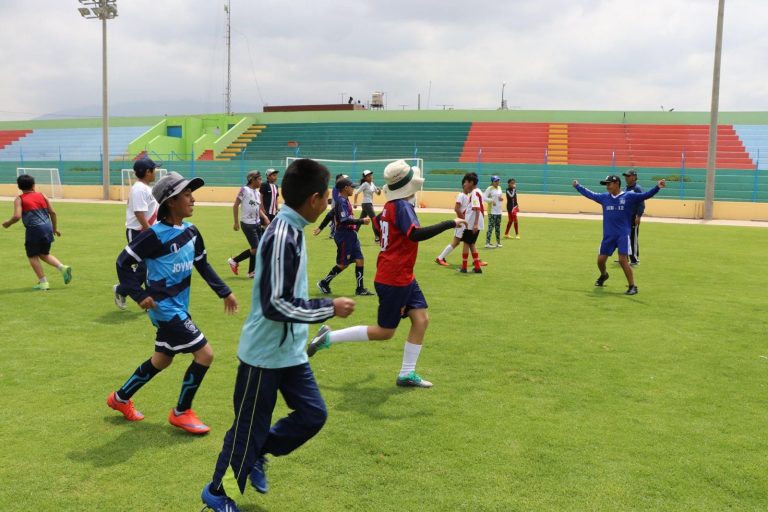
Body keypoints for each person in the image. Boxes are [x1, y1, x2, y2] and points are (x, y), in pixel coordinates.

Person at [201, 158, 356, 511]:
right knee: (247, 429)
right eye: (327, 197)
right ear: (314, 198)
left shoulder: (294, 228)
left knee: (312, 415)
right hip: (264, 355)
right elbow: (275, 305)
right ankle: (218, 494)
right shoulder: (282, 234)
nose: (329, 203)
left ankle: (257, 453)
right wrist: (328, 307)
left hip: (289, 352)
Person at [306, 160, 467, 389]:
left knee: (421, 319)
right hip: (394, 278)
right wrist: (450, 222)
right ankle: (329, 337)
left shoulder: (393, 207)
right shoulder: (401, 206)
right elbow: (415, 235)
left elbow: (385, 228)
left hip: (402, 275)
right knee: (385, 332)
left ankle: (406, 374)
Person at [107, 172, 239, 434]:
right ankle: (181, 412)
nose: (193, 200)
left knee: (162, 360)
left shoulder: (191, 231)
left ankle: (119, 399)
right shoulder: (153, 235)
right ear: (171, 201)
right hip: (164, 308)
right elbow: (123, 262)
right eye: (187, 195)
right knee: (205, 354)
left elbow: (202, 263)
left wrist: (224, 291)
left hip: (178, 306)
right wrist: (138, 294)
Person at [572, 174, 665, 295]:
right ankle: (604, 275)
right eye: (606, 184)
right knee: (600, 261)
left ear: (616, 184)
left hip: (622, 234)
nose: (607, 187)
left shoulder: (629, 196)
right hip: (608, 235)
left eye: (609, 184)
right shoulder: (604, 197)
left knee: (622, 260)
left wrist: (657, 187)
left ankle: (632, 286)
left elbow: (645, 195)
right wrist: (578, 186)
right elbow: (590, 195)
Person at [2, 173, 72, 290]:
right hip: (47, 227)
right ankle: (62, 267)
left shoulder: (19, 199)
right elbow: (53, 213)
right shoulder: (42, 195)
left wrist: (7, 223)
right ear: (34, 185)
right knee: (43, 254)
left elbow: (17, 216)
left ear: (19, 187)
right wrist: (54, 228)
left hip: (34, 229)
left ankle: (43, 282)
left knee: (32, 256)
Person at [113, 157, 159, 309]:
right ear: (147, 172)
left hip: (145, 231)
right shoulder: (140, 189)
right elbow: (139, 213)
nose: (156, 172)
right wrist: (149, 231)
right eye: (154, 169)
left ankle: (127, 291)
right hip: (139, 232)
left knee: (149, 267)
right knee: (144, 267)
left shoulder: (144, 188)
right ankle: (124, 291)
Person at [316, 177, 374, 296]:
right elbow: (344, 220)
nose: (353, 189)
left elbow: (329, 215)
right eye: (352, 187)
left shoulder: (344, 200)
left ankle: (360, 289)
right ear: (345, 188)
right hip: (344, 236)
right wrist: (361, 221)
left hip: (351, 235)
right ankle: (324, 283)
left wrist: (320, 228)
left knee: (360, 259)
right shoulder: (341, 201)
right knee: (343, 264)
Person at [228, 170, 270, 278]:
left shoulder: (257, 192)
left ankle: (251, 272)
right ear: (252, 180)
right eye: (259, 179)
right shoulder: (244, 190)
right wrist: (236, 222)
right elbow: (235, 205)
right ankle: (234, 261)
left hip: (257, 223)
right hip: (247, 224)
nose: (261, 181)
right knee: (256, 249)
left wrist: (265, 217)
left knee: (256, 248)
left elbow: (257, 208)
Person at [459, 173, 485, 273]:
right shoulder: (478, 192)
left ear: (471, 182)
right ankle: (477, 267)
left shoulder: (474, 192)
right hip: (475, 222)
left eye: (466, 182)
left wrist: (475, 224)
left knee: (466, 243)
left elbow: (477, 208)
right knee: (471, 244)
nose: (465, 184)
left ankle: (464, 267)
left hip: (472, 223)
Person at [353, 169, 382, 242]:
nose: (371, 177)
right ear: (365, 178)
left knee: (361, 220)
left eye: (371, 175)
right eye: (368, 176)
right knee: (374, 220)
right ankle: (377, 237)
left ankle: (353, 234)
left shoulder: (372, 184)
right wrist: (355, 202)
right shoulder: (365, 184)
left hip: (368, 204)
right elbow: (356, 192)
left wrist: (379, 190)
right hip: (366, 204)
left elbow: (378, 194)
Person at [623, 169, 643, 266]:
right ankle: (624, 258)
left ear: (634, 177)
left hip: (633, 217)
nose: (626, 178)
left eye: (628, 176)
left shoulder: (637, 189)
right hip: (626, 218)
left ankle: (634, 259)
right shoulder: (626, 188)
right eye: (625, 176)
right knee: (625, 237)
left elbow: (641, 203)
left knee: (633, 238)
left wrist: (638, 216)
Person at [483, 175, 504, 248]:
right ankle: (487, 243)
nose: (497, 182)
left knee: (498, 227)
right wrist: (491, 201)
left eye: (498, 180)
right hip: (492, 211)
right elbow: (484, 197)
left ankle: (498, 242)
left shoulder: (500, 188)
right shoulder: (489, 188)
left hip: (499, 211)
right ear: (492, 182)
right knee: (490, 227)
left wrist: (501, 198)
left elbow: (499, 196)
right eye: (495, 181)